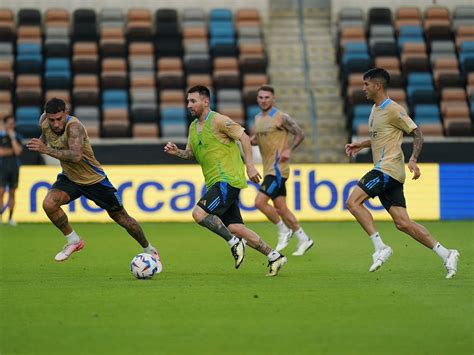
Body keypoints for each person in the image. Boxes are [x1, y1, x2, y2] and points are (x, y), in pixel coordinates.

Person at [344, 68, 459, 279]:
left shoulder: (393, 109)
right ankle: (447, 253)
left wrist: (413, 159)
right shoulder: (375, 109)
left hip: (386, 169)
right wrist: (361, 144)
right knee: (403, 223)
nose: (363, 89)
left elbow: (417, 133)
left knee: (353, 202)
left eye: (366, 84)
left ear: (378, 86)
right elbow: (383, 137)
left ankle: (380, 247)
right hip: (389, 172)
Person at [164, 85, 287, 276]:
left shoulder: (219, 120)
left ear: (206, 102)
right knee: (236, 227)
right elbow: (190, 153)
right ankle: (274, 256)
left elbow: (244, 138)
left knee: (199, 214)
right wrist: (177, 152)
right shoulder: (193, 127)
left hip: (227, 180)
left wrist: (250, 166)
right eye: (188, 101)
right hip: (215, 182)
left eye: (193, 101)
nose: (189, 105)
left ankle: (233, 243)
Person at [26, 98, 160, 263]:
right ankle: (73, 240)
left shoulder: (74, 127)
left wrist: (46, 149)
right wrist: (41, 142)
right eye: (51, 120)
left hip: (94, 180)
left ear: (66, 113)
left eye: (59, 119)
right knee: (49, 204)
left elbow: (76, 156)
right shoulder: (44, 122)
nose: (55, 124)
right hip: (70, 178)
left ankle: (149, 249)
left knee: (122, 218)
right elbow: (45, 135)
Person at [251, 85, 314, 255]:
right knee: (281, 208)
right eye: (261, 97)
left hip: (278, 170)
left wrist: (289, 150)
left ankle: (283, 230)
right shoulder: (257, 119)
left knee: (259, 202)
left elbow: (299, 133)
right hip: (268, 168)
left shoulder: (281, 117)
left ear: (273, 99)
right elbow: (258, 139)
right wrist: (246, 141)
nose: (263, 100)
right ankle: (304, 238)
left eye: (267, 97)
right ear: (257, 99)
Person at [0, 115, 23, 226]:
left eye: (13, 123)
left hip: (14, 168)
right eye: (9, 123)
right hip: (2, 167)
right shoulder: (1, 136)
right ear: (5, 124)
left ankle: (10, 218)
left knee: (12, 193)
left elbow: (18, 151)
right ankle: (0, 218)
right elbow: (1, 153)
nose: (11, 125)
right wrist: (13, 150)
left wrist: (12, 138)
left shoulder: (17, 136)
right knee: (1, 192)